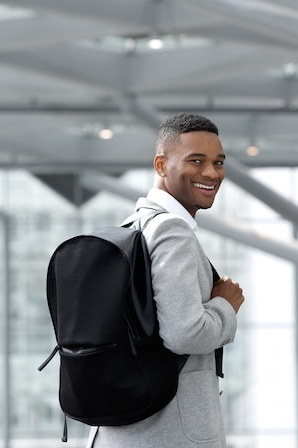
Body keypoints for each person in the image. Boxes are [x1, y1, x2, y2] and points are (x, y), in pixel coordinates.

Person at [87, 112, 245, 447]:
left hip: (123, 428)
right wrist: (225, 307)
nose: (211, 173)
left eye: (218, 162)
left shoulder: (134, 226)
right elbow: (185, 334)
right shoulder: (171, 231)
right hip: (168, 432)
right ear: (161, 165)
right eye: (196, 160)